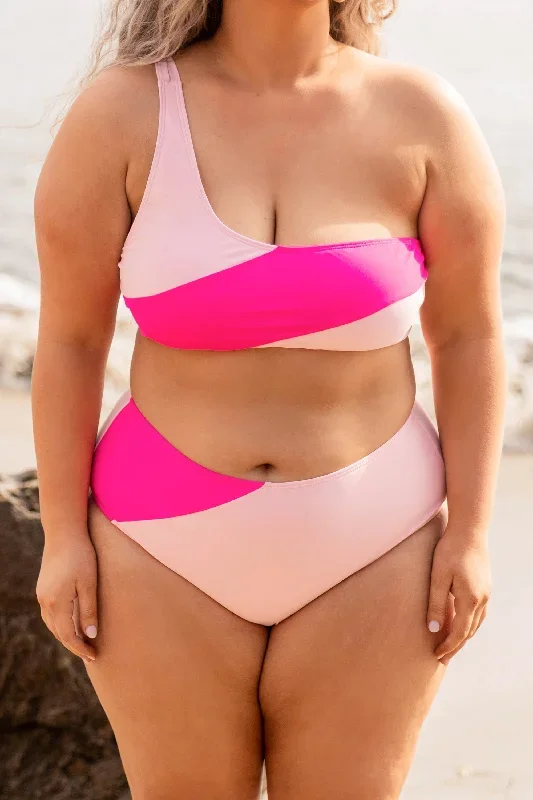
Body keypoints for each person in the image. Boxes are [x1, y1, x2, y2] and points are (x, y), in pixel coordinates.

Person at [32, 1, 506, 797]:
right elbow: (72, 342)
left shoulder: (423, 116)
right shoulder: (123, 111)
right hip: (156, 545)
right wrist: (60, 536)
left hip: (377, 544)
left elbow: (468, 338)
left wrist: (471, 532)